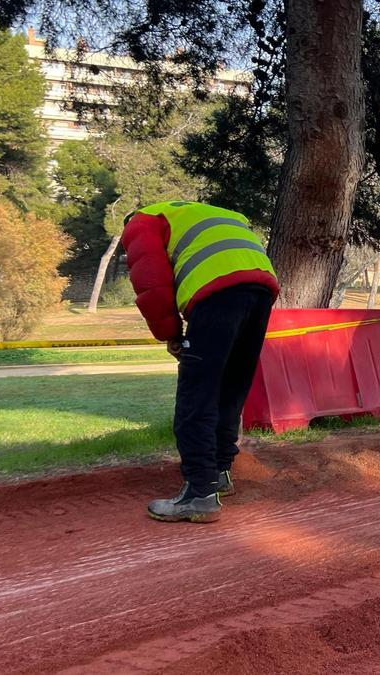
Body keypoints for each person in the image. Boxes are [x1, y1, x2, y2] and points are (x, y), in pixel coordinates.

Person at [122, 200, 279, 523]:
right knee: (231, 387)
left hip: (216, 292)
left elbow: (151, 282)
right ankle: (219, 473)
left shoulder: (142, 221)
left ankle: (199, 494)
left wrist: (170, 334)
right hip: (261, 287)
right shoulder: (214, 213)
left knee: (198, 393)